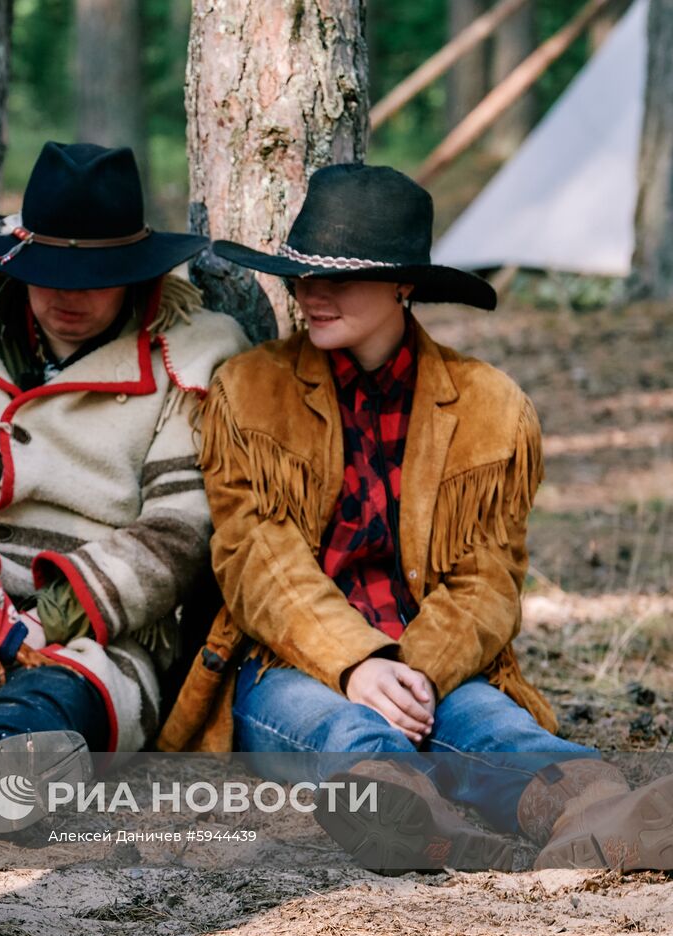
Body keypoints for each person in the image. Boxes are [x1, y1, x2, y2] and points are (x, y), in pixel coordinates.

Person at [157, 163, 673, 873]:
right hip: (289, 660)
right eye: (304, 275)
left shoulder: (489, 404)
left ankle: (601, 816)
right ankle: (409, 824)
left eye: (343, 276)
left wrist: (417, 672)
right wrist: (360, 663)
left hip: (437, 660)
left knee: (499, 731)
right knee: (346, 731)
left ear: (404, 284)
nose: (313, 293)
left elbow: (489, 578)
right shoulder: (250, 390)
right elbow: (256, 560)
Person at [0, 142, 247, 840]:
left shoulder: (191, 359)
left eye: (94, 277)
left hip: (94, 631)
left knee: (35, 716)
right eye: (49, 274)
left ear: (134, 271)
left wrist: (43, 619)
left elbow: (181, 531)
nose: (67, 297)